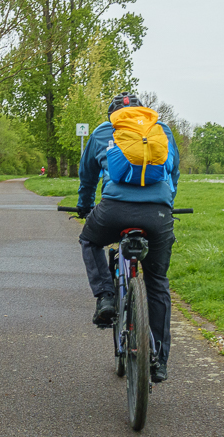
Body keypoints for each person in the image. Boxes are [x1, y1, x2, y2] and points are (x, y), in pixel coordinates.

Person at [75, 93, 180, 383]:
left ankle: (106, 297)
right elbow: (174, 172)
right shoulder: (162, 130)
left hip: (114, 211)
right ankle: (158, 360)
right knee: (157, 282)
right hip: (158, 215)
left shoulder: (101, 132)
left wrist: (85, 206)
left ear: (113, 115)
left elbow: (87, 177)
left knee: (90, 240)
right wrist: (166, 204)